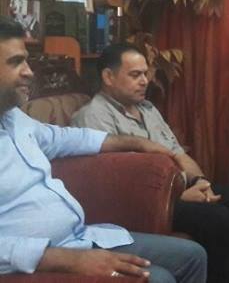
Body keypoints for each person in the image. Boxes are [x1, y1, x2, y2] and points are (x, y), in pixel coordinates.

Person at [0, 16, 207, 282]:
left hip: (79, 237)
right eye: (16, 62)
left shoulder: (14, 118)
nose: (29, 72)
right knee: (158, 278)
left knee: (192, 255)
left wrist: (138, 142)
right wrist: (67, 260)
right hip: (34, 263)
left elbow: (67, 138)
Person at [71, 43, 229, 283]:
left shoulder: (147, 109)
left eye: (145, 74)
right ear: (108, 76)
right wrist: (177, 197)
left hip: (180, 188)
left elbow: (178, 154)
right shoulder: (93, 116)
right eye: (135, 75)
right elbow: (115, 186)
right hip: (144, 204)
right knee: (216, 217)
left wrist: (201, 182)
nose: (145, 81)